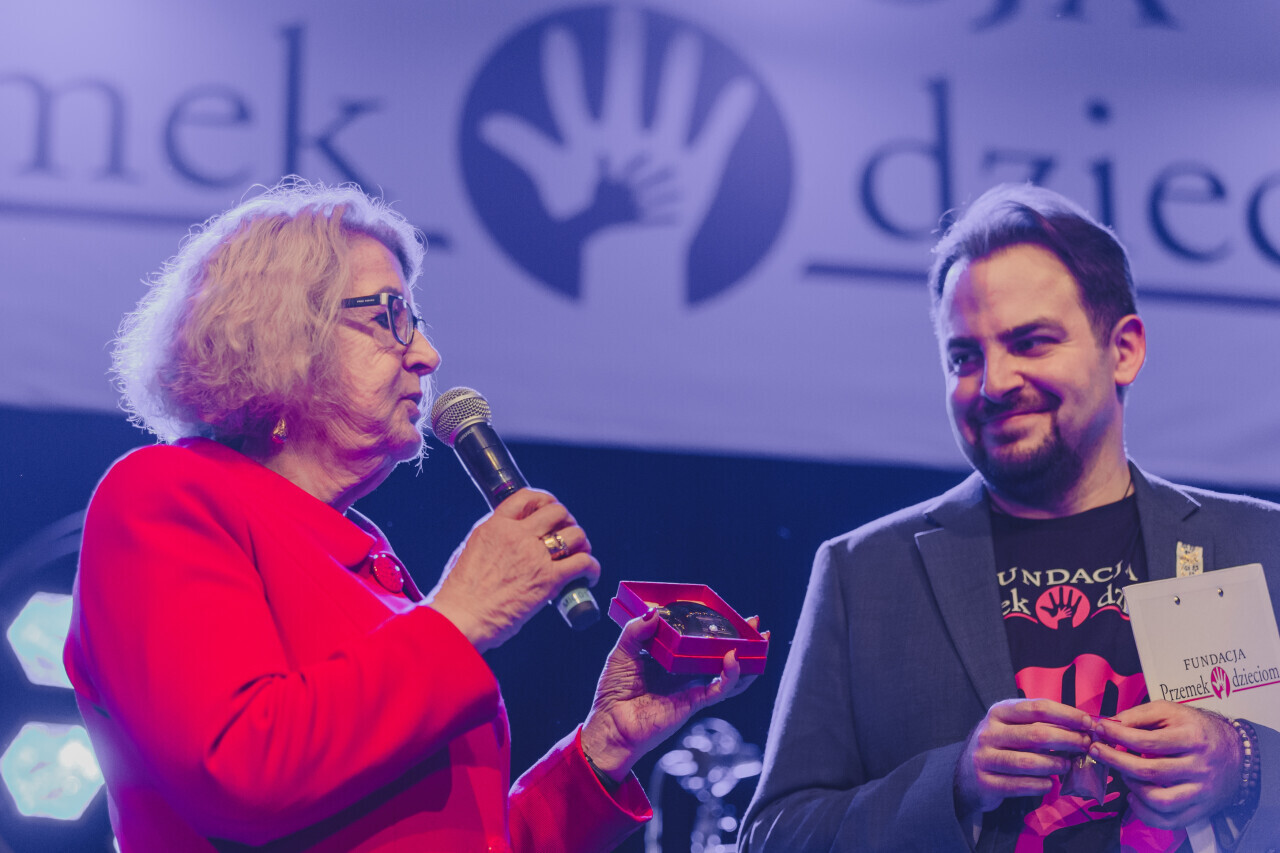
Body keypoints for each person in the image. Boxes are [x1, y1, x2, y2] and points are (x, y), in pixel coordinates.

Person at [63, 178, 759, 852]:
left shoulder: (366, 554)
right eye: (389, 316)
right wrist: (460, 615)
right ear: (282, 332)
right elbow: (238, 768)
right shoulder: (165, 494)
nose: (427, 355)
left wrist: (603, 748)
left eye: (415, 321)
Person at [739, 184, 1280, 851]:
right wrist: (955, 783)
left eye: (1030, 342)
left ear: (1125, 349)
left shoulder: (1258, 543)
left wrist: (1243, 765)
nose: (993, 383)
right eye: (964, 357)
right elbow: (773, 837)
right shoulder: (865, 572)